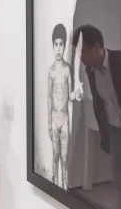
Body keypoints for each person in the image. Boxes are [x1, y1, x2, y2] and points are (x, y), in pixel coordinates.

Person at [72, 24, 121, 209]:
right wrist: (107, 136)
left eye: (83, 51)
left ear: (97, 46)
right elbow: (100, 103)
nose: (80, 58)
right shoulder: (90, 71)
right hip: (116, 136)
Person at [47, 24, 75, 190]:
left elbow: (70, 94)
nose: (58, 48)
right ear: (53, 46)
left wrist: (76, 94)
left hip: (64, 121)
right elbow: (49, 98)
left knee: (65, 157)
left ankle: (65, 188)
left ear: (64, 46)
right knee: (55, 155)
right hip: (54, 120)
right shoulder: (50, 71)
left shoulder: (67, 69)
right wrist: (48, 122)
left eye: (61, 44)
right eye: (56, 44)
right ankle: (53, 183)